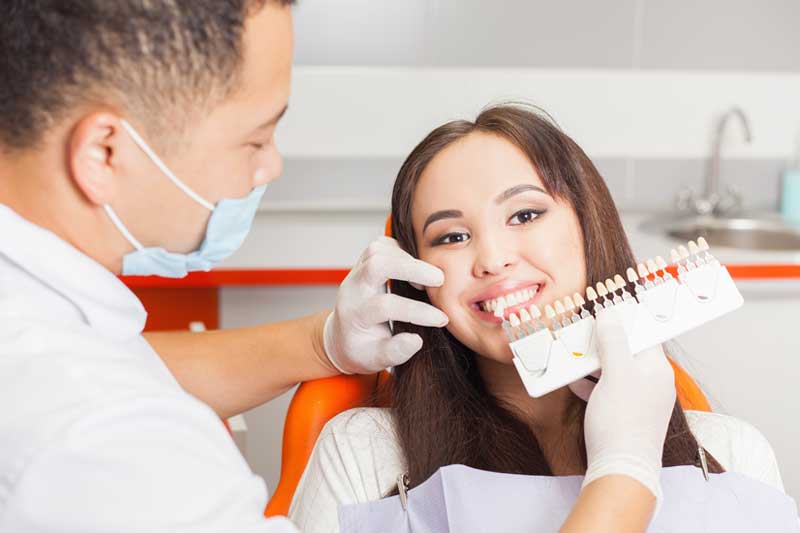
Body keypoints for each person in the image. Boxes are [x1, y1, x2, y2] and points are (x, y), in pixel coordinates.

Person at [0, 2, 705, 531]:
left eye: (525, 214)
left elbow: (111, 363)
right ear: (104, 153)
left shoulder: (47, 342)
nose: (269, 166)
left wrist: (323, 342)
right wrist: (625, 471)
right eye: (255, 136)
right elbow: (97, 387)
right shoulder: (104, 439)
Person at [288, 105, 785, 532]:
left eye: (525, 215)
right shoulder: (362, 456)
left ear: (591, 226)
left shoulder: (733, 455)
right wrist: (626, 468)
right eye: (451, 237)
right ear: (417, 277)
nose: (493, 258)